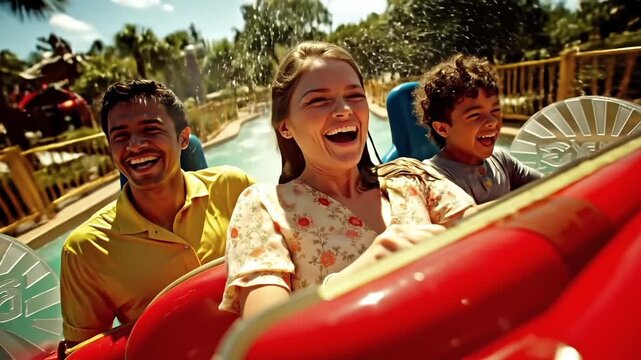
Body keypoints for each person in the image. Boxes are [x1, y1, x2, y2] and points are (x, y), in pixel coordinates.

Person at [219, 41, 475, 319]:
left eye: (354, 95)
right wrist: (352, 279)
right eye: (318, 100)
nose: (343, 109)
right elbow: (265, 341)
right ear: (285, 126)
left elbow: (489, 236)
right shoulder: (264, 208)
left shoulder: (412, 177)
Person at [59, 80, 254, 346]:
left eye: (150, 130)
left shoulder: (233, 188)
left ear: (183, 138)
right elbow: (86, 351)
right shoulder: (86, 249)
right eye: (120, 136)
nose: (135, 145)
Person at [414, 54, 543, 204]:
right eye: (475, 115)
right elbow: (467, 217)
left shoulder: (500, 159)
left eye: (495, 111)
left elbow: (546, 184)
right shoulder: (435, 177)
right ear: (443, 128)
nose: (491, 122)